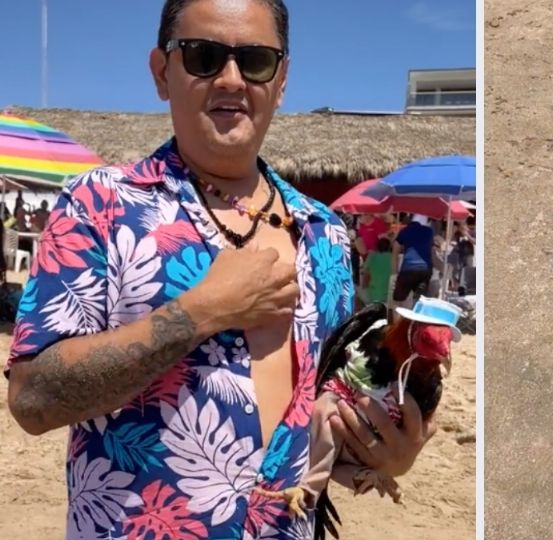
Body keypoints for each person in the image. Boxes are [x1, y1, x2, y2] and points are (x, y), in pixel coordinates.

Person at [3, 1, 433, 538]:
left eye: (255, 61)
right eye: (203, 57)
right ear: (163, 72)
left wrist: (381, 453)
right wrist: (201, 312)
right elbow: (33, 400)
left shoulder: (323, 232)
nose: (231, 79)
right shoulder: (101, 206)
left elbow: (314, 417)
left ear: (281, 80)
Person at [392, 213, 435, 307]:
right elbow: (431, 251)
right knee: (420, 299)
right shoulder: (429, 231)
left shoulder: (405, 230)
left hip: (408, 268)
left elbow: (395, 251)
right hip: (425, 269)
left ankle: (399, 318)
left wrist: (395, 273)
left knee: (398, 298)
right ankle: (417, 318)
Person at [359, 237, 393, 306]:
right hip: (388, 296)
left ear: (377, 247)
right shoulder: (393, 257)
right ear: (389, 247)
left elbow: (363, 272)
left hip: (372, 295)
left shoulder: (372, 256)